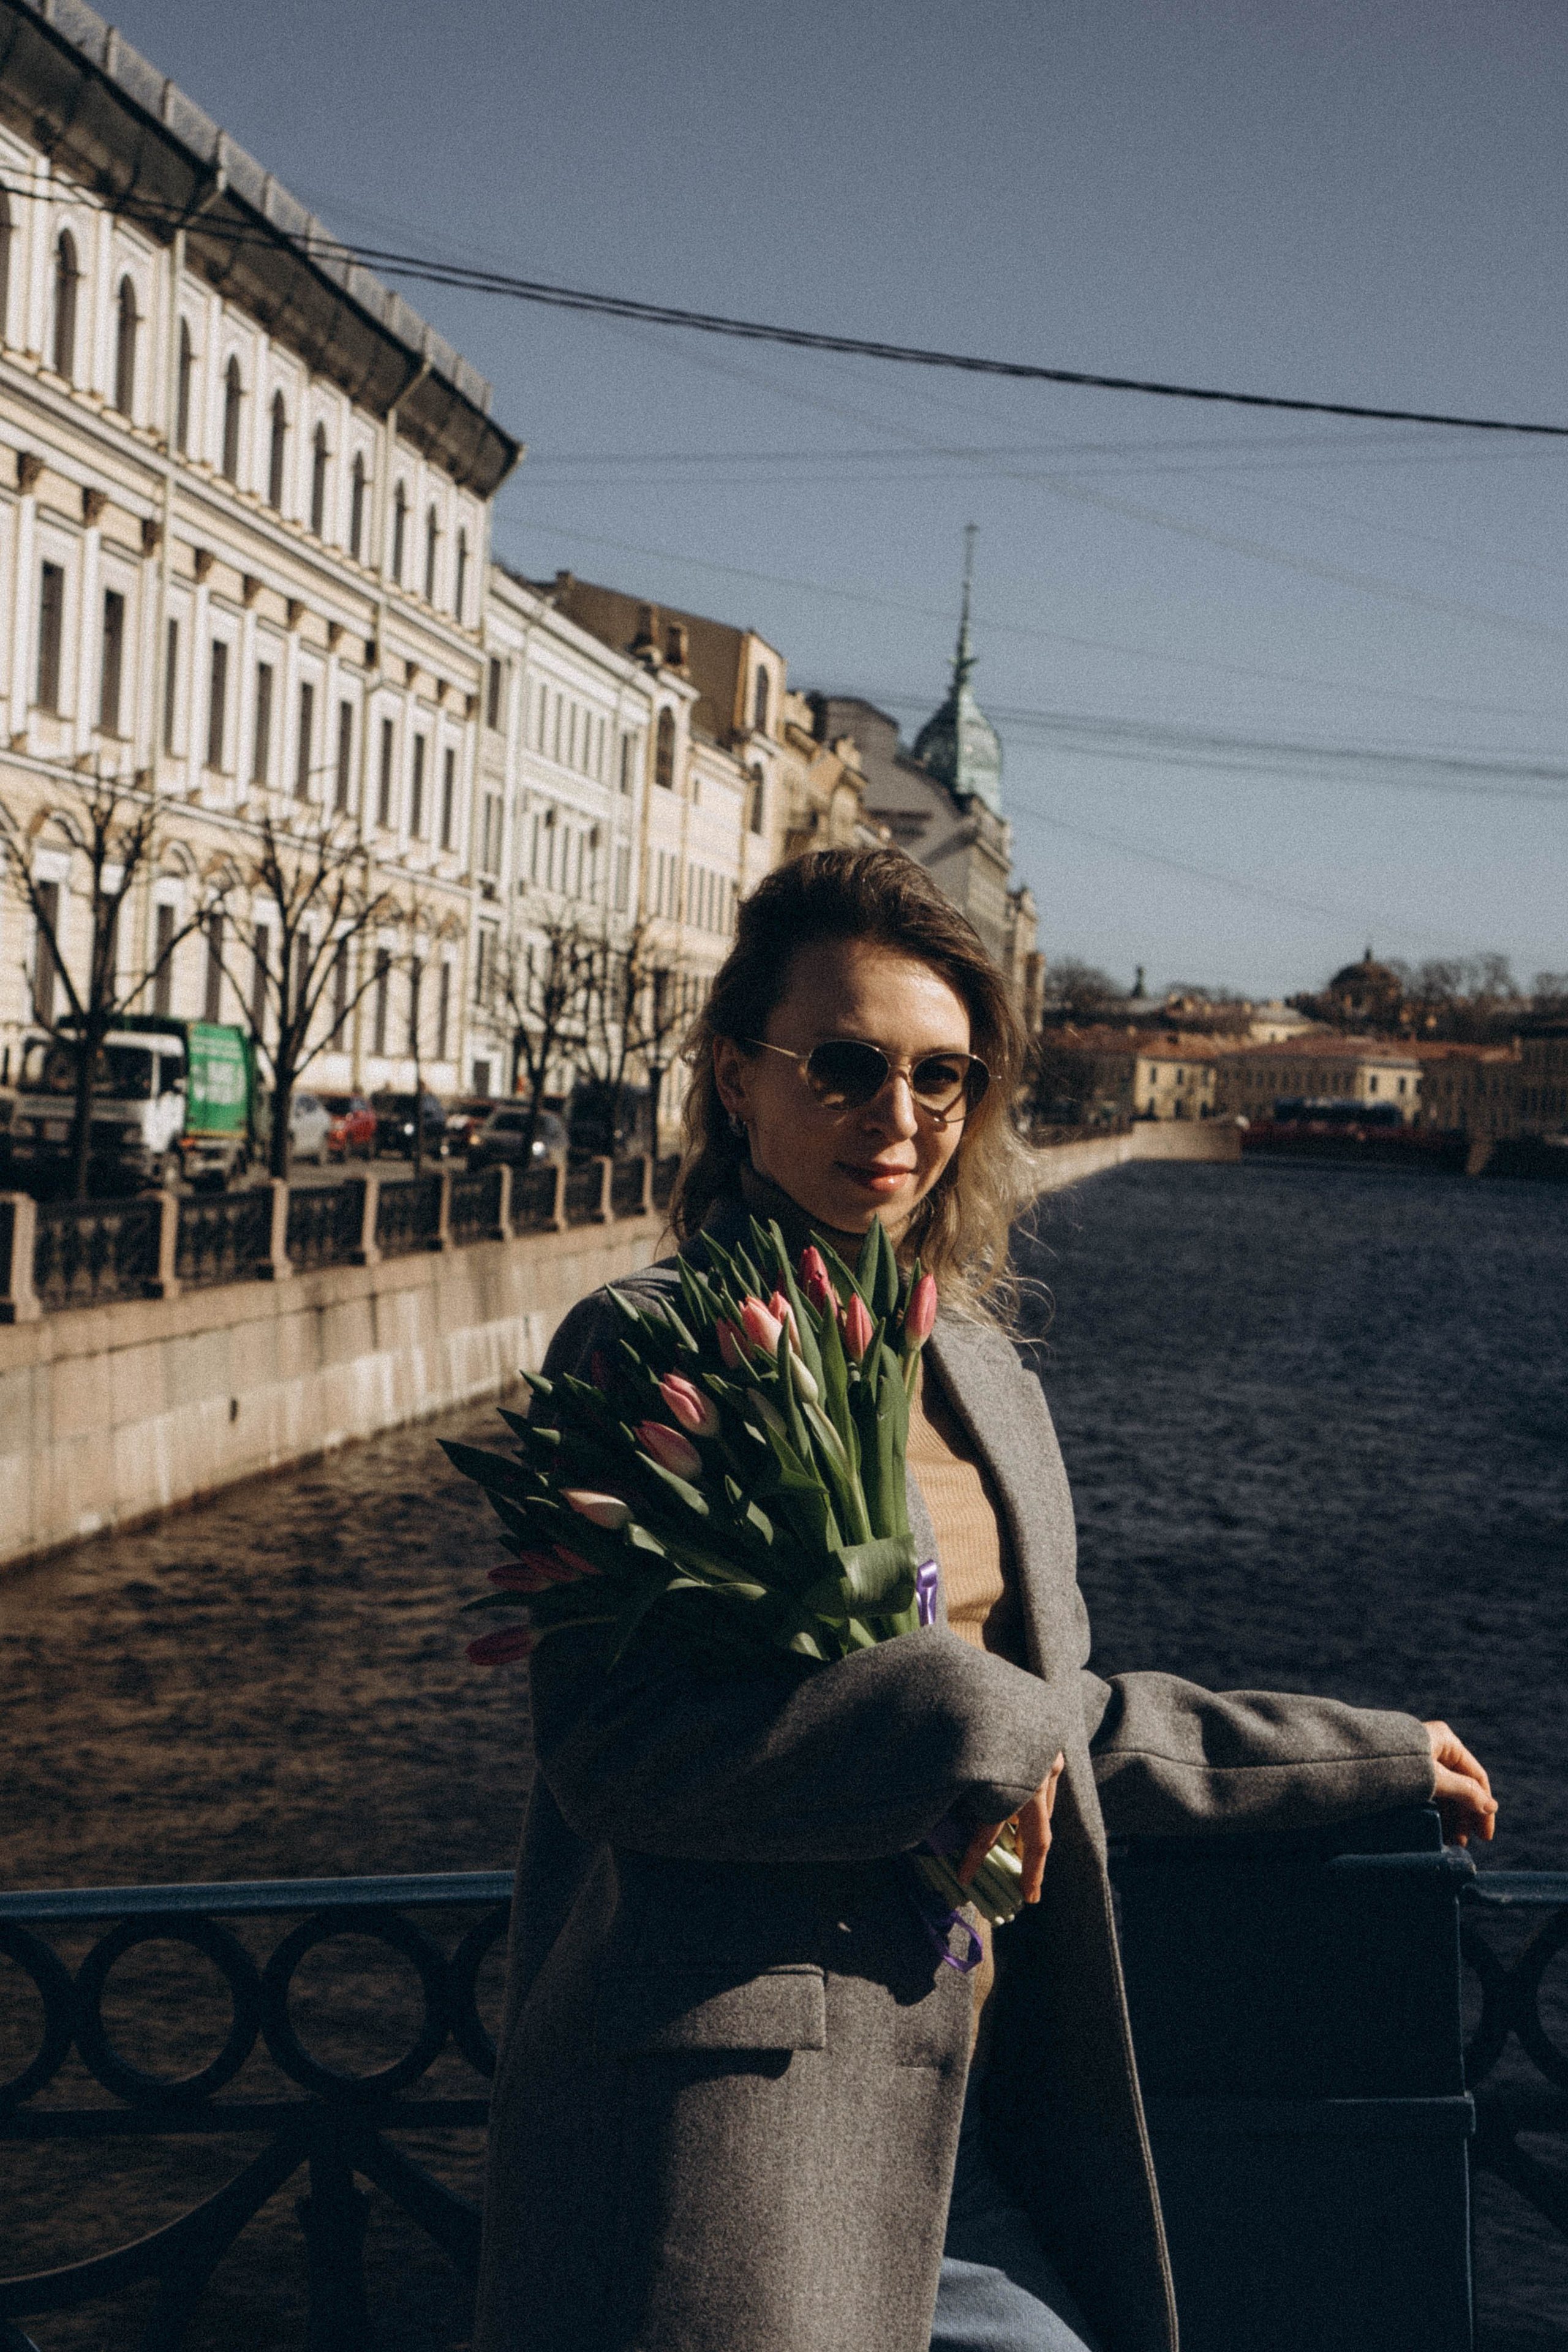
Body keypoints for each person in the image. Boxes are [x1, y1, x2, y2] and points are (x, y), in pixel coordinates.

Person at [471, 848, 1494, 2352]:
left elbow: (1051, 1714)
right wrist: (955, 1714)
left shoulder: (984, 1377)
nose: (896, 1121)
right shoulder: (646, 1347)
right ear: (734, 1077)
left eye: (941, 1077)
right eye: (843, 1066)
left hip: (989, 2071)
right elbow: (614, 1753)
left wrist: (1352, 1753)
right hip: (756, 2111)